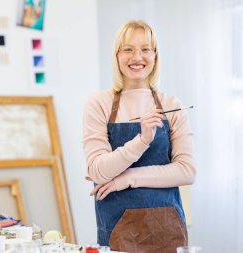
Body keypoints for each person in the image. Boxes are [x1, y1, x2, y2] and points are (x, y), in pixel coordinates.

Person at [83, 20, 196, 253]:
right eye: (128, 49)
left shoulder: (172, 106)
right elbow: (98, 170)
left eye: (146, 49)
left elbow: (187, 170)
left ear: (155, 56)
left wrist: (126, 178)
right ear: (117, 56)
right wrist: (142, 140)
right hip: (117, 230)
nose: (138, 57)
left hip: (168, 229)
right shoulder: (99, 104)